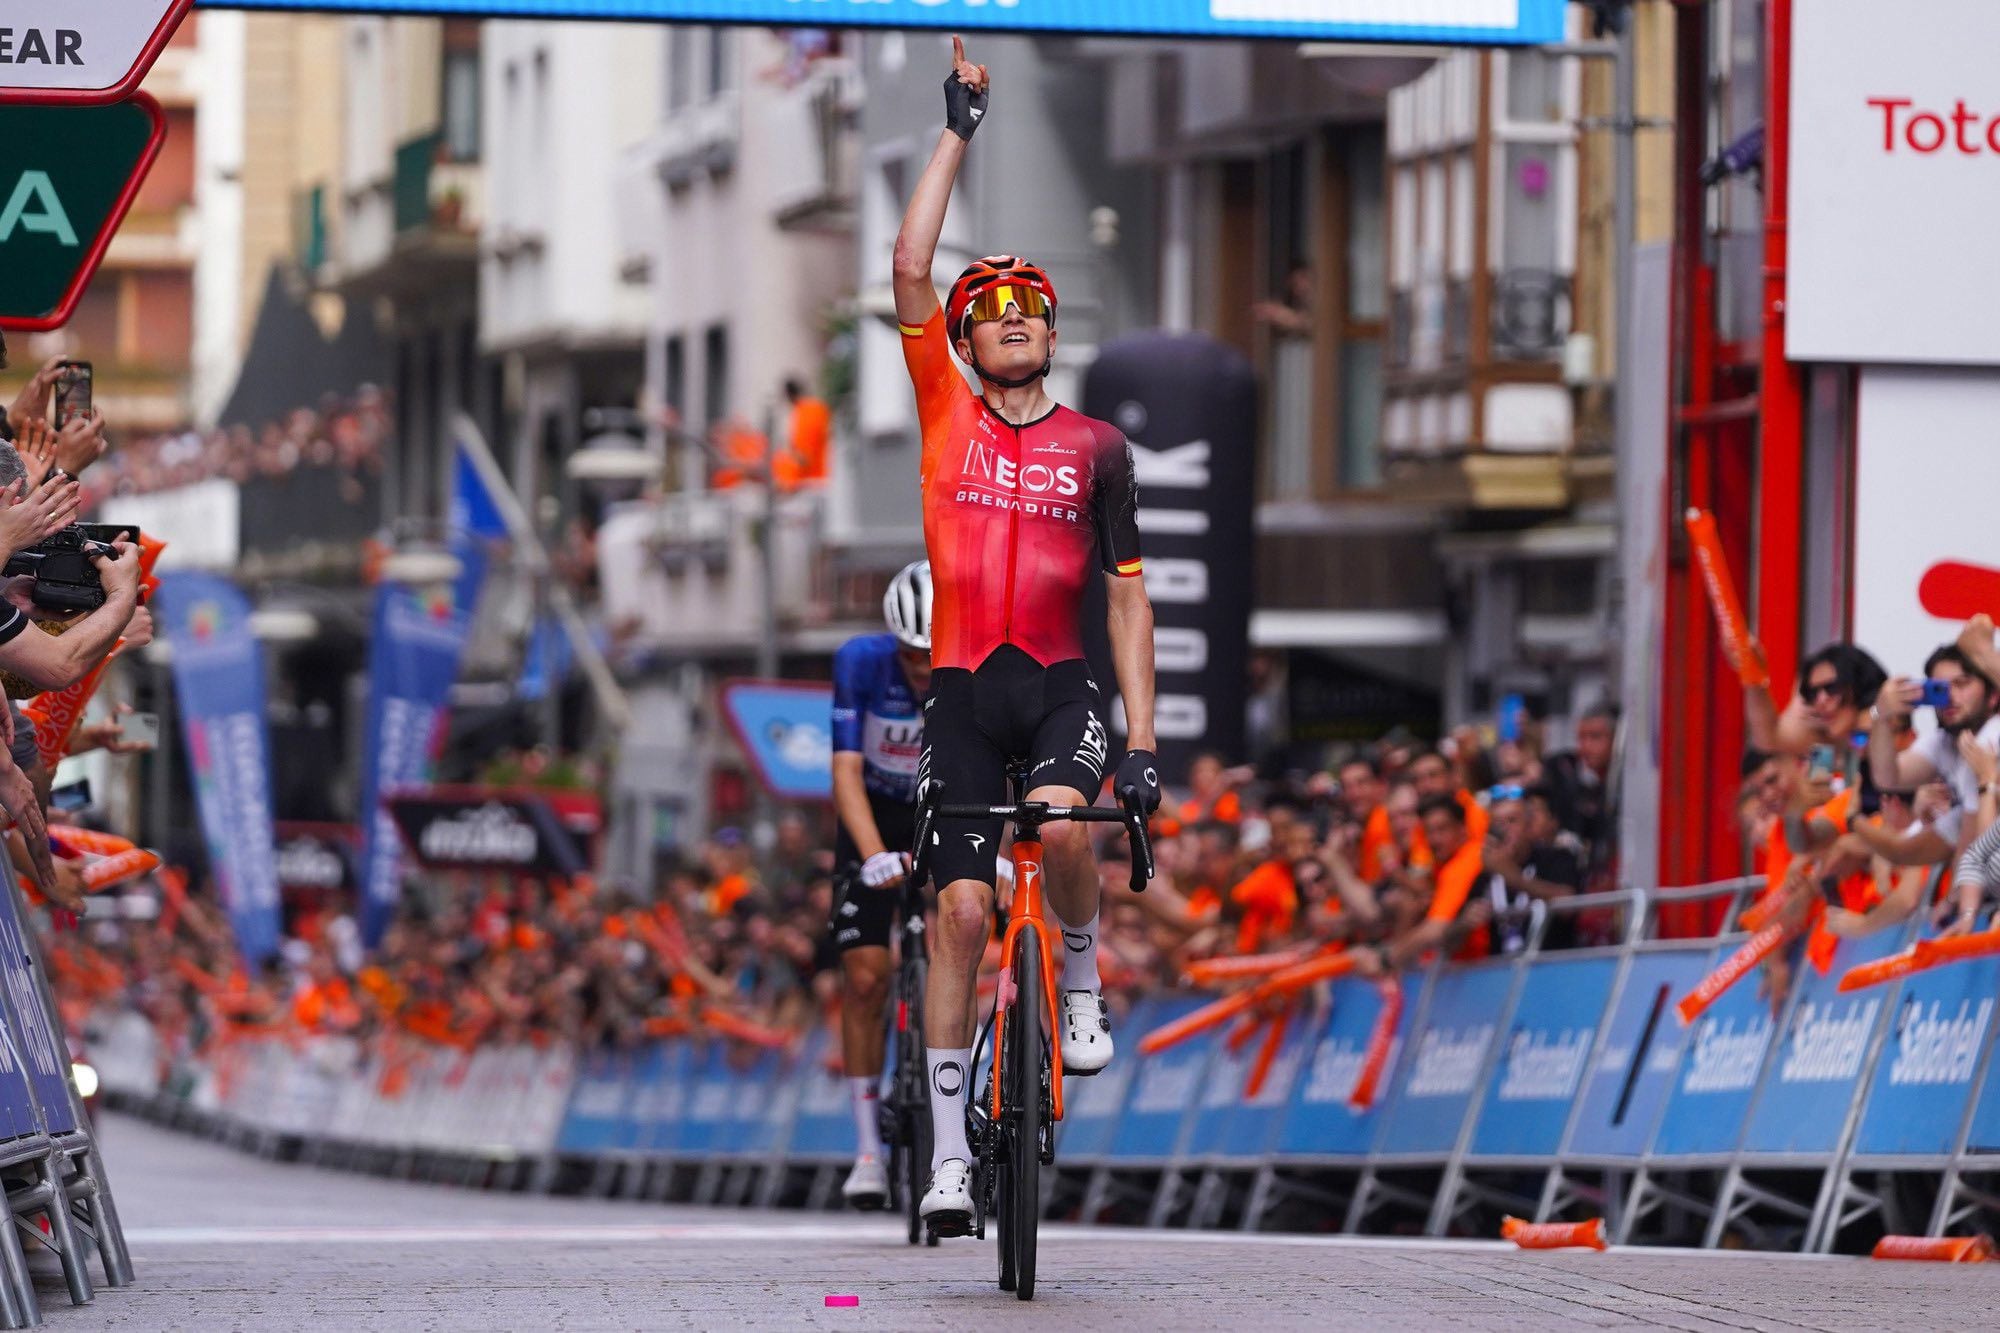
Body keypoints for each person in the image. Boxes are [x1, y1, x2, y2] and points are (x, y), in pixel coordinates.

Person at [892, 36, 1160, 1237]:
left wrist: (1142, 739)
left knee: (1060, 826)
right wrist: (958, 128)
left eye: (1026, 309)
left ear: (1051, 334)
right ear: (961, 341)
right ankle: (949, 1159)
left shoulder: (1099, 448)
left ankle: (1084, 965)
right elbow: (907, 264)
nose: (1007, 319)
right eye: (985, 311)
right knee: (954, 913)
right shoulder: (942, 411)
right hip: (959, 688)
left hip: (1058, 683)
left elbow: (1126, 597)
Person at [826, 561, 933, 1210]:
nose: (922, 672)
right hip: (871, 811)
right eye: (911, 658)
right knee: (865, 976)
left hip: (941, 810)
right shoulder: (860, 662)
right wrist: (871, 856)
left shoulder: (970, 661)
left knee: (963, 921)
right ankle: (868, 1150)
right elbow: (844, 772)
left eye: (931, 657)